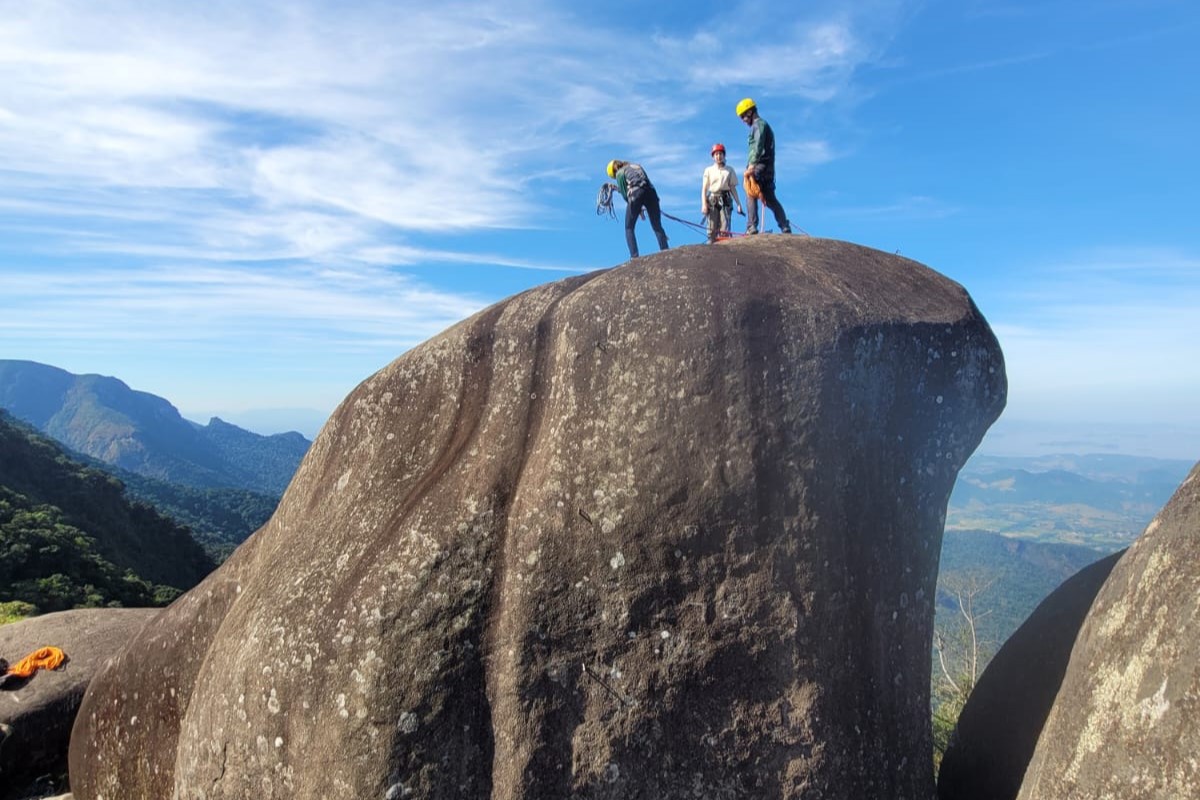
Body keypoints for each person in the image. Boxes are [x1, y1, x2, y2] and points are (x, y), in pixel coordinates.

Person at [736, 97, 792, 234]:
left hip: (760, 166)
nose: (743, 120)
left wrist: (751, 166)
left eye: (743, 116)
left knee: (750, 191)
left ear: (750, 112)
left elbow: (758, 146)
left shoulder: (758, 125)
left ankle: (751, 226)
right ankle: (784, 225)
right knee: (770, 199)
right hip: (768, 169)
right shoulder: (763, 125)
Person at [605, 159, 670, 259]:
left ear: (614, 171)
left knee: (629, 227)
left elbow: (625, 195)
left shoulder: (619, 173)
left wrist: (637, 209)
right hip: (651, 193)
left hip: (636, 195)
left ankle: (634, 257)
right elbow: (641, 183)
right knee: (657, 225)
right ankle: (665, 250)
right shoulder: (636, 166)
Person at [700, 143, 744, 243]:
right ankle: (711, 246)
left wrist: (739, 204)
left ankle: (724, 248)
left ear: (724, 155)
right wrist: (704, 205)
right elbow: (704, 189)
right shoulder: (709, 170)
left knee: (725, 228)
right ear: (713, 157)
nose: (718, 156)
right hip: (712, 200)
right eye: (716, 154)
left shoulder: (729, 170)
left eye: (720, 154)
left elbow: (732, 188)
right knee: (712, 228)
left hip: (725, 200)